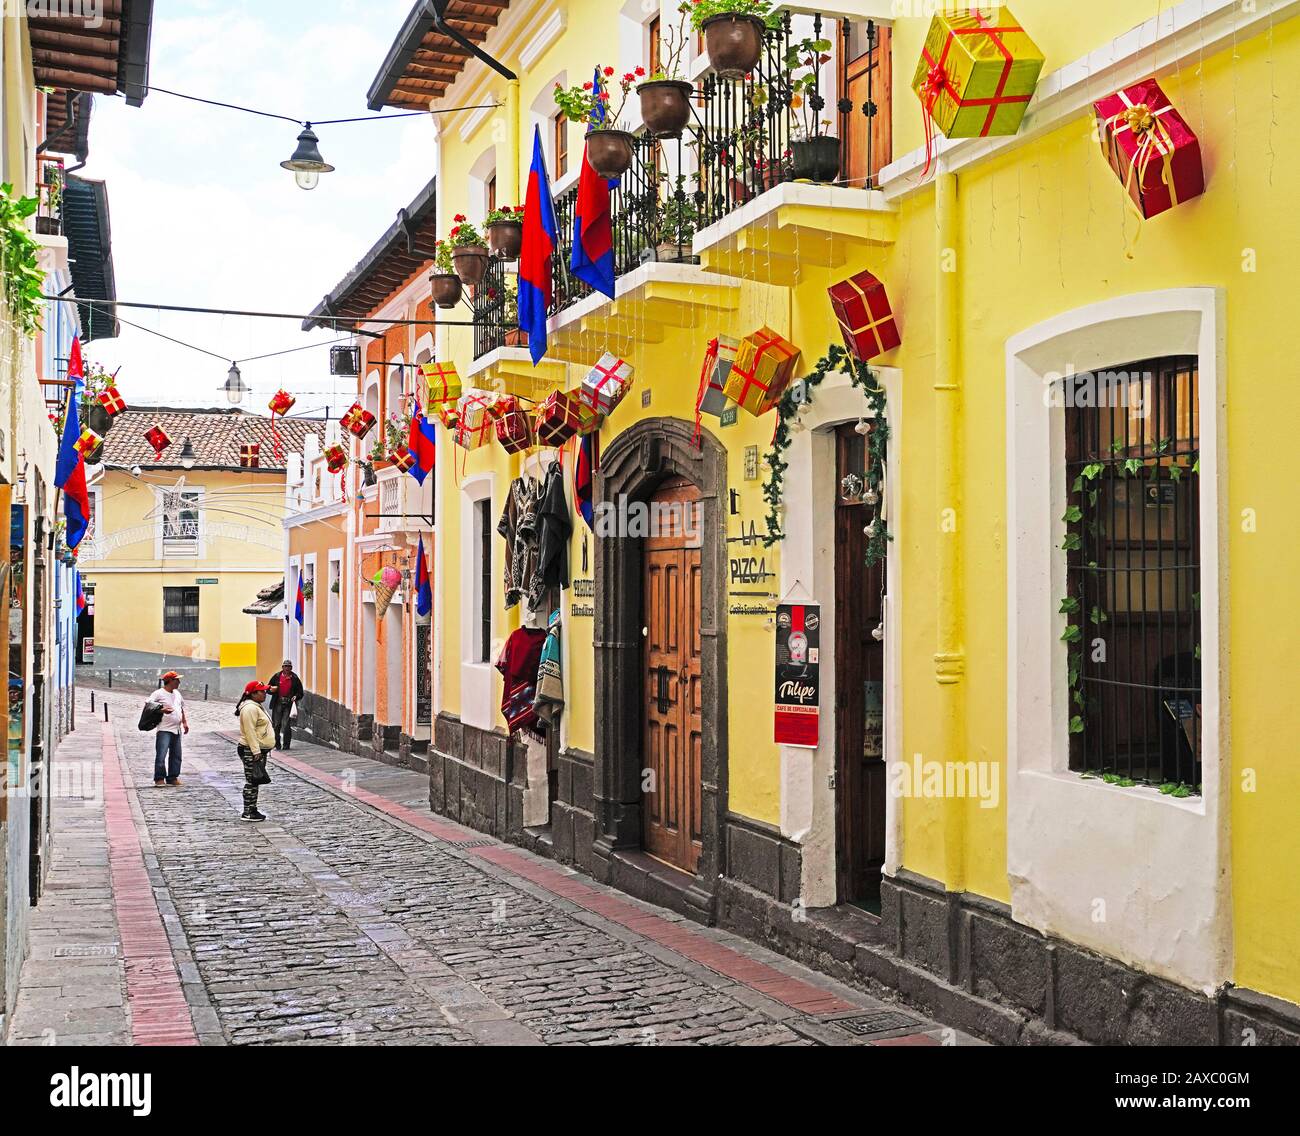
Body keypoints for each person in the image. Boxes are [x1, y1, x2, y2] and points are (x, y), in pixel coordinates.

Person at [235, 681, 276, 822]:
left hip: (257, 750)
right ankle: (248, 812)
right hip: (250, 750)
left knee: (256, 779)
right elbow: (249, 731)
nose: (265, 693)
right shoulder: (249, 709)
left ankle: (253, 809)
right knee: (251, 780)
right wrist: (255, 750)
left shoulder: (256, 706)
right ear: (253, 694)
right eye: (262, 691)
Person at [147, 671, 189, 787]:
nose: (179, 682)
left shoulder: (177, 693)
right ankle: (159, 778)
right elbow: (148, 704)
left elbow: (181, 708)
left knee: (176, 755)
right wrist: (162, 710)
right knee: (161, 754)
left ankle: (172, 777)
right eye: (177, 680)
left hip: (177, 729)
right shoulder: (158, 693)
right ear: (170, 681)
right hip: (164, 729)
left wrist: (184, 722)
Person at [265, 658, 304, 751]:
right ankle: (277, 744)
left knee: (286, 725)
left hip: (288, 704)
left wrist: (296, 696)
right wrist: (271, 689)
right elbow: (268, 688)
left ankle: (286, 745)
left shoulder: (295, 678)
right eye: (285, 666)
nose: (287, 668)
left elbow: (300, 692)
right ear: (282, 667)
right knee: (276, 724)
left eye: (289, 666)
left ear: (291, 668)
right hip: (278, 702)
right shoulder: (277, 676)